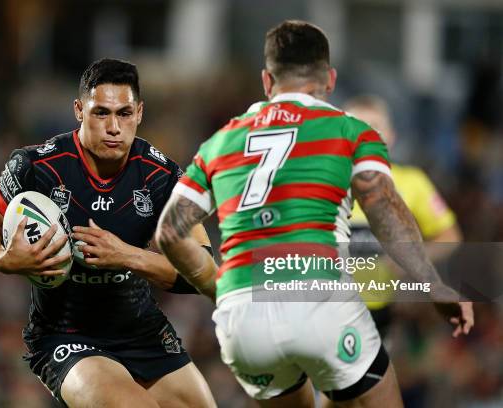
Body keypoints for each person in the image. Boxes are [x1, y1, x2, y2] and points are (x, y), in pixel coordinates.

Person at [155, 20, 473, 408]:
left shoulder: (221, 141)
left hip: (243, 318)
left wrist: (218, 287)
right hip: (320, 301)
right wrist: (432, 284)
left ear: (267, 81)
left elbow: (169, 232)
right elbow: (384, 209)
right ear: (330, 81)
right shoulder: (349, 130)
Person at [0, 58, 216, 408]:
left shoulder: (164, 177)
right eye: (101, 113)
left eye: (124, 113)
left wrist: (126, 255)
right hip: (65, 335)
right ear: (79, 110)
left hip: (141, 330)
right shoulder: (37, 166)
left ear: (140, 113)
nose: (114, 126)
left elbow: (202, 271)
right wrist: (3, 259)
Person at [344, 95, 463, 339]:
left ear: (391, 136)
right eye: (356, 128)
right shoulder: (324, 184)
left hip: (377, 311)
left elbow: (449, 235)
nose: (365, 135)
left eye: (374, 127)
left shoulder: (412, 182)